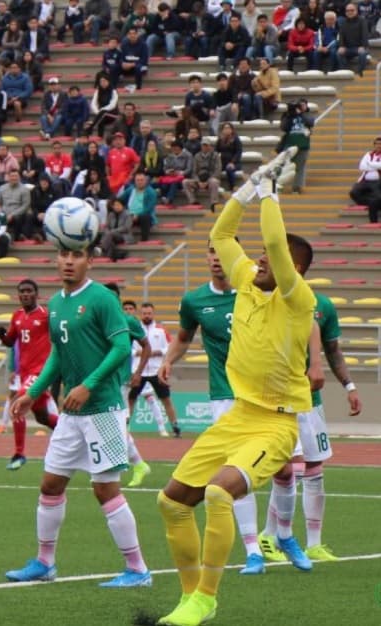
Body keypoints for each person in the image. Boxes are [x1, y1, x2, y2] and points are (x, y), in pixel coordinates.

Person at [155, 149, 315, 626]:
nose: (261, 258)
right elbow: (221, 234)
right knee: (172, 502)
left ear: (296, 270)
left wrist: (270, 193)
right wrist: (245, 191)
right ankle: (190, 599)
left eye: (273, 256)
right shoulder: (245, 278)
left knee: (221, 495)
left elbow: (276, 245)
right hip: (239, 415)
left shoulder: (297, 297)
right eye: (262, 255)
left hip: (276, 426)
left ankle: (208, 595)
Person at [4, 244, 152, 588]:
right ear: (56, 259)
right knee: (50, 484)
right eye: (64, 255)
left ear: (89, 260)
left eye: (77, 255)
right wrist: (33, 393)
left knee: (106, 490)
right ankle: (45, 562)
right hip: (71, 415)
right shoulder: (55, 304)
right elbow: (58, 353)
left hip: (104, 411)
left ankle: (138, 569)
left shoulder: (102, 299)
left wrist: (88, 385)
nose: (69, 261)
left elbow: (120, 348)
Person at [257, 289, 363, 566]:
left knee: (314, 469)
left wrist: (349, 387)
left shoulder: (322, 305)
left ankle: (313, 544)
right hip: (277, 399)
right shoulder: (264, 300)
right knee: (290, 468)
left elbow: (333, 350)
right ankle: (270, 534)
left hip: (310, 401)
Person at [0, 280, 59, 470]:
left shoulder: (46, 316)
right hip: (25, 373)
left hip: (40, 372)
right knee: (42, 418)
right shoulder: (17, 316)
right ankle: (75, 434)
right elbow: (10, 342)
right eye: (22, 291)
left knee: (17, 404)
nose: (25, 294)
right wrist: (2, 336)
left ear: (37, 294)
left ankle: (19, 453)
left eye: (29, 291)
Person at [104, 283, 152, 488]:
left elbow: (146, 347)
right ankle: (134, 463)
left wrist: (138, 372)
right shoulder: (98, 321)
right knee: (111, 423)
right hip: (101, 380)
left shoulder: (128, 321)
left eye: (114, 297)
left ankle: (128, 463)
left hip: (121, 380)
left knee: (116, 422)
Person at [128, 302, 181, 437]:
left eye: (149, 313)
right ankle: (125, 428)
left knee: (166, 399)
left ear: (153, 313)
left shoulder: (161, 330)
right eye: (144, 313)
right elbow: (130, 348)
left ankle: (175, 427)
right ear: (141, 314)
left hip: (156, 370)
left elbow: (169, 347)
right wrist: (138, 353)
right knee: (131, 399)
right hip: (138, 370)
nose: (147, 316)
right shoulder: (135, 328)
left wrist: (157, 352)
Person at [277, 98, 313, 194]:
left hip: (303, 145)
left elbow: (311, 123)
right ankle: (278, 186)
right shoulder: (288, 115)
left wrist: (300, 113)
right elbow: (284, 127)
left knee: (299, 167)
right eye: (300, 105)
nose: (301, 107)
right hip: (289, 144)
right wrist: (290, 115)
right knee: (283, 165)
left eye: (303, 105)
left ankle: (297, 188)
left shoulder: (307, 115)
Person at [349, 136, 381, 223]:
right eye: (377, 144)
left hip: (378, 182)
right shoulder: (368, 154)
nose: (378, 146)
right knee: (353, 193)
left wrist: (369, 164)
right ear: (374, 145)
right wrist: (375, 166)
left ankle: (373, 207)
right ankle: (370, 201)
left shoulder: (370, 159)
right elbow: (362, 167)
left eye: (380, 144)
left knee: (377, 198)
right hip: (365, 181)